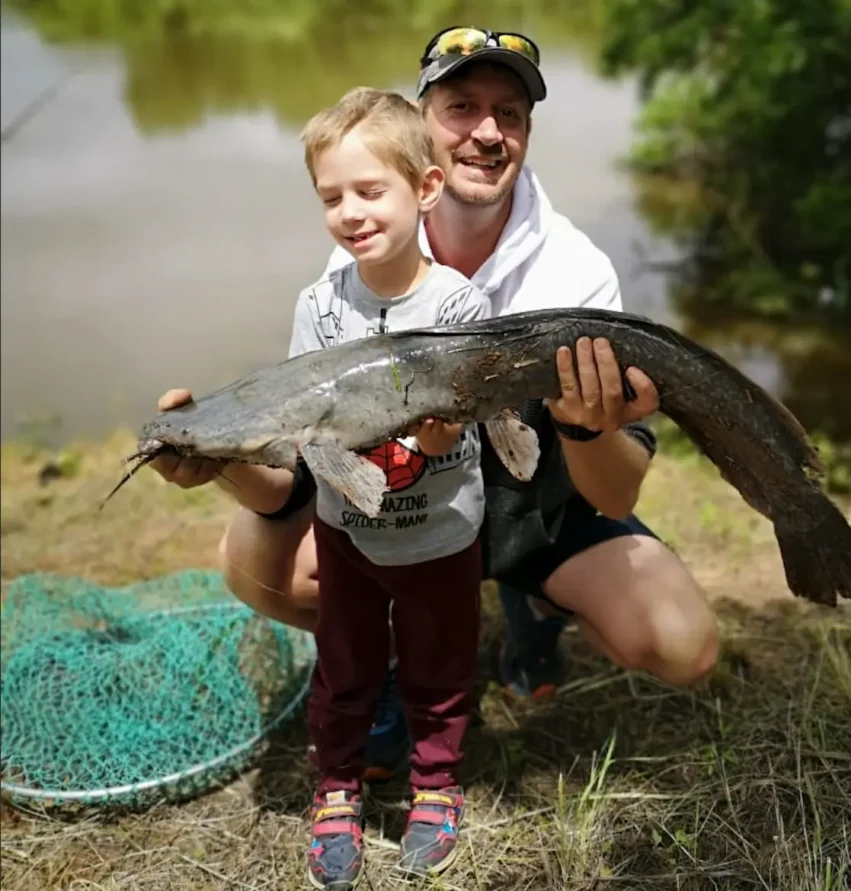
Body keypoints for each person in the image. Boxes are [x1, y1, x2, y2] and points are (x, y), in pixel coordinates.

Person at [154, 21, 719, 817]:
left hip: (535, 511)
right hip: (403, 507)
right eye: (462, 107)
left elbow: (617, 494)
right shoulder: (356, 255)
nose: (487, 132)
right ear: (423, 127)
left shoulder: (574, 269)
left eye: (510, 113)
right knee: (252, 555)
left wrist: (587, 424)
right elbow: (298, 473)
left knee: (684, 642)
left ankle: (529, 615)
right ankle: (382, 666)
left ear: (525, 132)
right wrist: (213, 454)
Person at [159, 87, 495, 887]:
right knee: (342, 671)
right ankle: (338, 786)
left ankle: (436, 785)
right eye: (331, 196)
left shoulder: (459, 304)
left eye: (369, 191)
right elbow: (298, 437)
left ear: (426, 189)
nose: (349, 212)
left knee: (440, 673)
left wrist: (444, 429)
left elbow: (466, 426)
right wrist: (213, 441)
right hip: (347, 533)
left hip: (443, 532)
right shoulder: (319, 305)